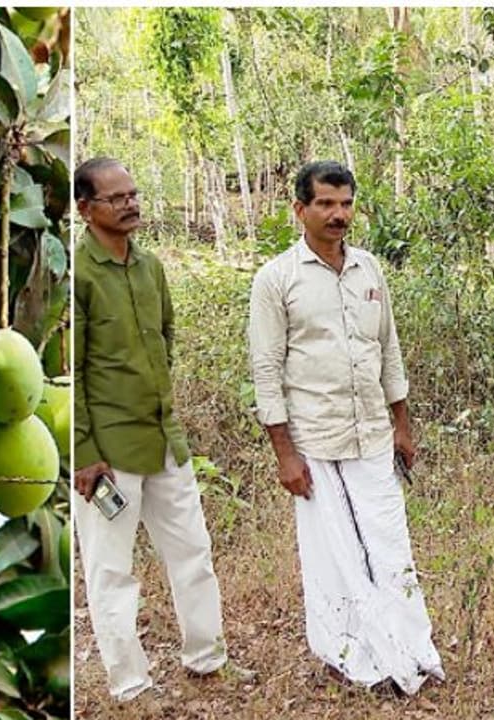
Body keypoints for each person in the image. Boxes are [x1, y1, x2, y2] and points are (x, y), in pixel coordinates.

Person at [247, 160, 444, 695]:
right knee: (331, 554)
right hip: (315, 439)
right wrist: (285, 455)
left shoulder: (368, 270)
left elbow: (388, 350)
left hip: (373, 433)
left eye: (346, 204)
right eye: (326, 204)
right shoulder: (276, 280)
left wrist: (402, 425)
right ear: (300, 209)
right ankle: (350, 658)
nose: (338, 215)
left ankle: (411, 653)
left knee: (390, 547)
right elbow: (266, 371)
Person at [72, 157, 246, 702]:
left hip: (165, 441)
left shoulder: (150, 267)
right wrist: (83, 450)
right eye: (116, 198)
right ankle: (130, 685)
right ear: (85, 208)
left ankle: (207, 659)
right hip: (109, 455)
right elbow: (72, 371)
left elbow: (165, 337)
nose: (130, 204)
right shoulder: (78, 275)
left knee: (193, 551)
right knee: (111, 571)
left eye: (133, 194)